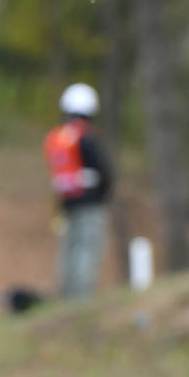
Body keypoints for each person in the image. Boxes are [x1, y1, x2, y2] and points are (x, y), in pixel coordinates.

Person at [43, 82, 112, 298]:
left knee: (68, 250)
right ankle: (81, 297)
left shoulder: (57, 138)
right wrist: (103, 195)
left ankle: (66, 295)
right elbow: (104, 172)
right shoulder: (86, 138)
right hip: (89, 203)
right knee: (86, 249)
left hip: (66, 203)